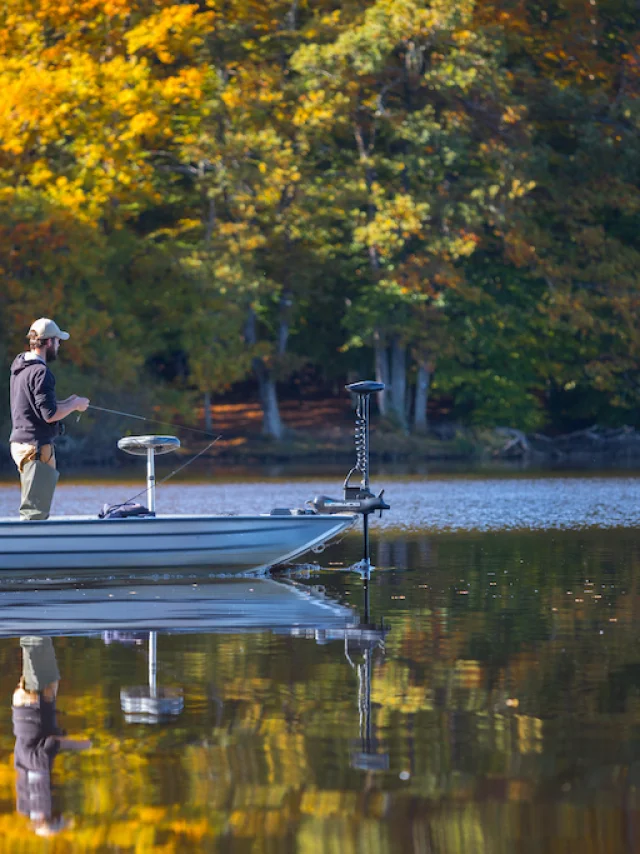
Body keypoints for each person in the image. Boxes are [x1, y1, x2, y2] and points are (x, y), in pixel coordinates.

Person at [9, 317, 90, 520]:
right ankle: (30, 550)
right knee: (34, 514)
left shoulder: (20, 368)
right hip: (35, 448)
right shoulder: (41, 372)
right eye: (57, 340)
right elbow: (50, 415)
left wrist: (68, 402)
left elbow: (39, 408)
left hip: (20, 444)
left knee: (32, 510)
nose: (59, 345)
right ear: (48, 342)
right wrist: (75, 406)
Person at [12, 636, 91, 837]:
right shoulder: (28, 778)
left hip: (32, 709)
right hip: (35, 711)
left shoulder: (36, 779)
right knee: (49, 673)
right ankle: (41, 628)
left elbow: (50, 745)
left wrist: (81, 745)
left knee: (34, 653)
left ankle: (32, 624)